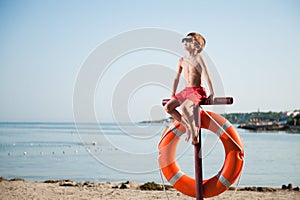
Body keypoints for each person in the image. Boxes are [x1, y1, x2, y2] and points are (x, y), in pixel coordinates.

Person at [164, 32, 214, 145]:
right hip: (186, 91)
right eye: (184, 40)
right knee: (168, 107)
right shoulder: (181, 60)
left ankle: (194, 131)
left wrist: (212, 92)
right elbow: (176, 78)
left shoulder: (199, 58)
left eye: (189, 40)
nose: (185, 42)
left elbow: (207, 75)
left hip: (197, 91)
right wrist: (173, 93)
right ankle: (186, 125)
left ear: (197, 45)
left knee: (184, 107)